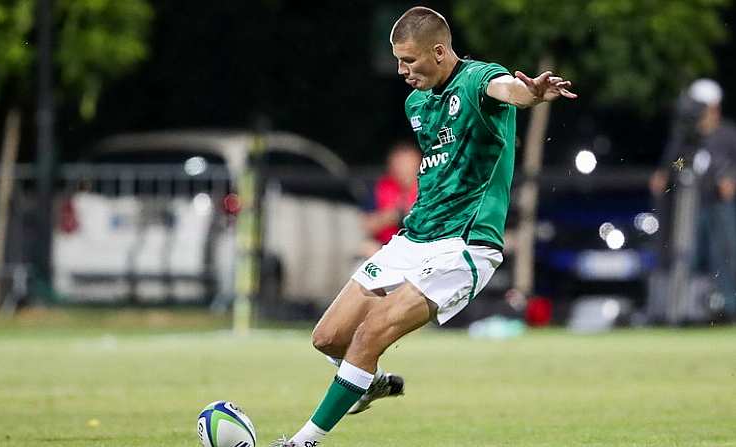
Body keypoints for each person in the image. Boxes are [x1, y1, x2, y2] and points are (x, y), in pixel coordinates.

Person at [272, 7, 576, 446]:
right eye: (398, 61)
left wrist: (532, 94)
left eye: (409, 60)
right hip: (414, 237)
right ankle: (367, 381)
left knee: (369, 334)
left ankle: (303, 441)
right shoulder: (417, 102)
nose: (402, 70)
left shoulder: (475, 80)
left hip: (464, 245)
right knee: (327, 338)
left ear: (439, 51)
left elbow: (508, 90)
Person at [650, 79, 736, 321]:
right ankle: (687, 308)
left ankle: (729, 308)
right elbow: (677, 162)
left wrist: (730, 178)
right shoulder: (687, 138)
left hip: (720, 204)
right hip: (692, 204)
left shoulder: (728, 135)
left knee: (726, 253)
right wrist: (670, 171)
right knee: (689, 254)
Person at [359, 141, 420, 258]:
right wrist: (393, 215)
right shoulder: (381, 187)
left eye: (407, 165)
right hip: (386, 246)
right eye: (399, 165)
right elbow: (367, 224)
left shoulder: (429, 188)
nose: (403, 170)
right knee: (366, 248)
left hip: (420, 246)